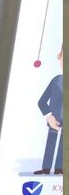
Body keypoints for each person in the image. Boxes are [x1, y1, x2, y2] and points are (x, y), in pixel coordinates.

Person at [34, 45, 62, 176]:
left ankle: (60, 169)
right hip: (54, 121)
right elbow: (42, 101)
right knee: (51, 143)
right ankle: (46, 168)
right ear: (59, 56)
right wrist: (49, 116)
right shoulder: (56, 80)